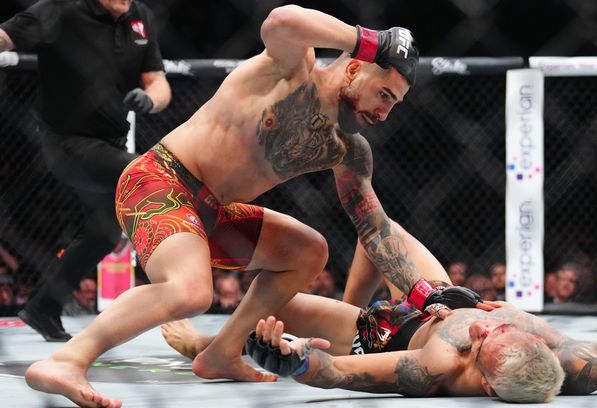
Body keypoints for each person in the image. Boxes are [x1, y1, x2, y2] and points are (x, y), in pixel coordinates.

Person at [24, 6, 483, 407]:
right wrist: (368, 39)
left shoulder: (348, 149)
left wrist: (428, 297)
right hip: (159, 179)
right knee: (191, 292)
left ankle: (222, 352)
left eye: (395, 104)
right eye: (384, 94)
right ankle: (67, 360)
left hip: (213, 212)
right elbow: (281, 20)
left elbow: (375, 229)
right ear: (353, 69)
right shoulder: (291, 69)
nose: (384, 114)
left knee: (309, 251)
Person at [163, 221, 597, 402]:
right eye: (501, 326)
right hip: (442, 297)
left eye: (484, 340)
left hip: (382, 333)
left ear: (484, 384)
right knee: (379, 233)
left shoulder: (434, 366)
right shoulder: (565, 364)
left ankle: (213, 347)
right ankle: (345, 301)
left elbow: (337, 372)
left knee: (273, 295)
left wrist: (294, 360)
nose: (485, 327)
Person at [0, 0, 171, 342]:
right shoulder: (62, 9)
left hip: (111, 144)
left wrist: (149, 99)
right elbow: (6, 36)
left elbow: (158, 82)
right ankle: (174, 283)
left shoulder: (140, 17)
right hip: (66, 143)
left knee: (105, 233)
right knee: (146, 171)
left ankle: (43, 307)